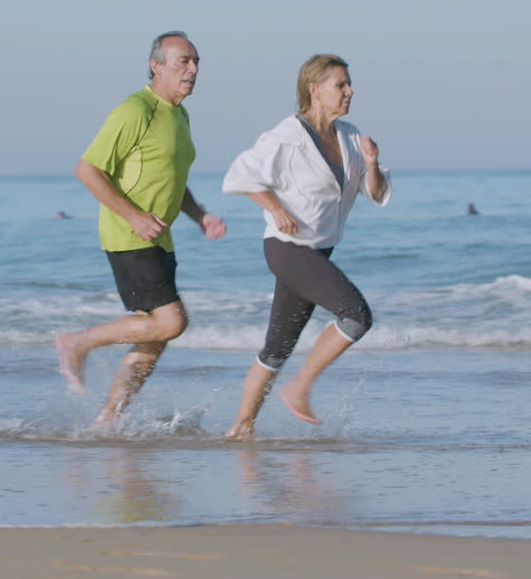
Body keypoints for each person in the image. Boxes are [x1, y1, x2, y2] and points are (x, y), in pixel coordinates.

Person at [54, 31, 226, 424]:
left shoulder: (179, 114)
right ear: (156, 66)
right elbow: (88, 170)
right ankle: (77, 343)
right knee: (171, 322)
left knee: (157, 334)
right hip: (128, 235)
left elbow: (173, 179)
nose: (193, 69)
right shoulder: (134, 110)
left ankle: (109, 418)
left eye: (196, 62)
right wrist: (133, 216)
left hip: (159, 238)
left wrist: (199, 216)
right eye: (183, 61)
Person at [221, 53, 391, 439]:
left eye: (349, 84)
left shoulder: (350, 136)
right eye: (341, 85)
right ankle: (299, 387)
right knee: (356, 316)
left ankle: (240, 427)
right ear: (315, 89)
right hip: (288, 248)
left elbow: (377, 194)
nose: (350, 91)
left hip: (317, 251)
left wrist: (372, 163)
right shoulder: (288, 135)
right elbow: (239, 176)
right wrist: (275, 208)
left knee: (277, 348)